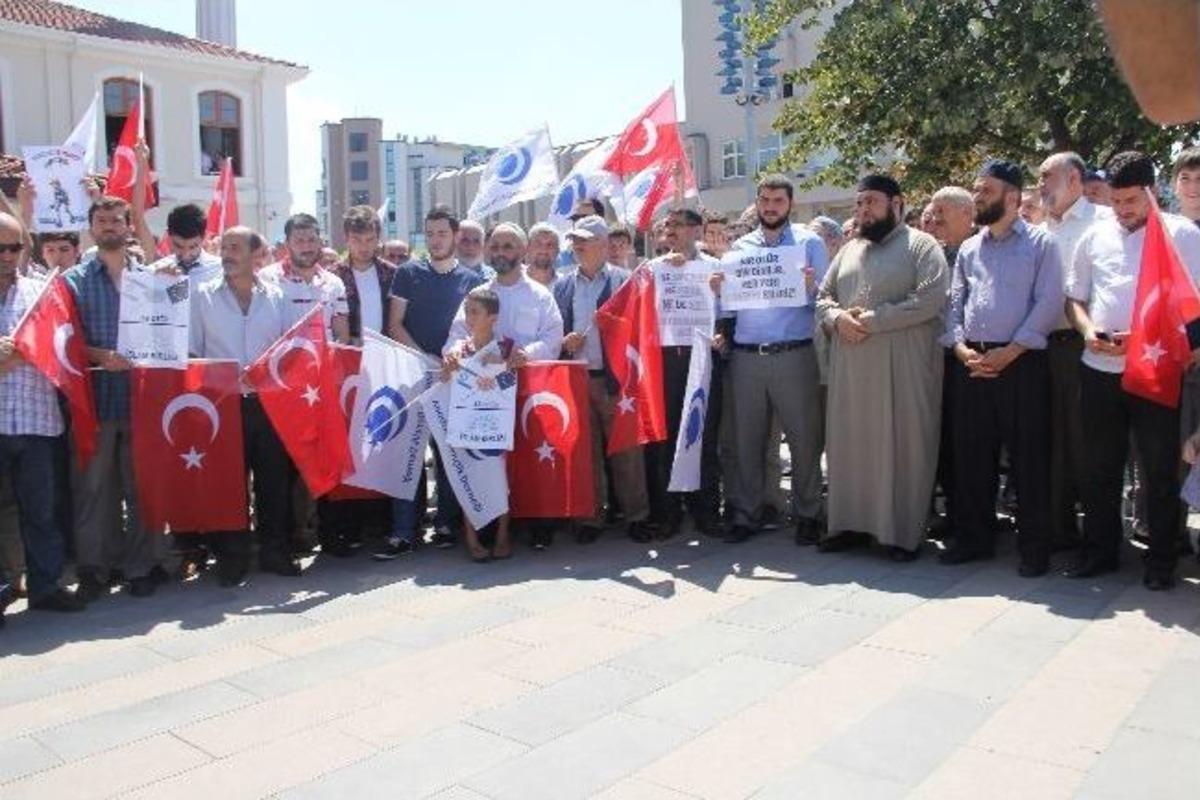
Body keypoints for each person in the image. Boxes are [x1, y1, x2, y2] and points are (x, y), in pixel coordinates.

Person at [1065, 151, 1200, 590]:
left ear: (1152, 192)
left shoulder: (1181, 235)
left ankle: (1160, 561)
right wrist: (1087, 332)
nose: (1123, 211)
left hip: (1156, 370)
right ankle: (1100, 551)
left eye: (1132, 202)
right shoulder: (1094, 235)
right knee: (1098, 467)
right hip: (1098, 367)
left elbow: (1193, 309)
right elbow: (1075, 298)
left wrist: (1151, 342)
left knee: (1159, 470)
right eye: (1117, 201)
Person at [940, 159, 1063, 577]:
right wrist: (959, 347)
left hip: (1022, 364)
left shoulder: (1042, 244)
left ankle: (1034, 549)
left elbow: (1048, 303)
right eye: (976, 190)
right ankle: (975, 540)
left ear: (1013, 197)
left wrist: (1011, 351)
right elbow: (955, 303)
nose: (978, 197)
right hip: (972, 364)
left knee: (1029, 460)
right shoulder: (969, 249)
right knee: (972, 457)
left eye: (986, 191)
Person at [816, 175, 948, 560]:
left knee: (901, 446)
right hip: (852, 372)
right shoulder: (849, 249)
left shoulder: (922, 246)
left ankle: (901, 535)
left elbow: (930, 299)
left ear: (896, 203)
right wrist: (838, 318)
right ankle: (848, 526)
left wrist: (872, 321)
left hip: (902, 371)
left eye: (870, 202)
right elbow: (823, 297)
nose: (862, 211)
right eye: (858, 204)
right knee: (850, 445)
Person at [712, 174, 827, 546]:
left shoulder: (809, 243)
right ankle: (748, 512)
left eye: (777, 200)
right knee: (748, 440)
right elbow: (729, 305)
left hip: (793, 353)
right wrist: (717, 291)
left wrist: (811, 288)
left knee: (803, 438)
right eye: (764, 200)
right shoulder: (740, 247)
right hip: (747, 358)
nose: (770, 207)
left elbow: (825, 301)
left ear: (790, 204)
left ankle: (808, 512)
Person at [63, 197, 163, 600]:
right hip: (95, 403)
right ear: (91, 228)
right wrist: (100, 355)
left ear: (128, 226)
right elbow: (64, 340)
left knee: (142, 489)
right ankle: (95, 569)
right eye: (101, 221)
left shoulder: (154, 280)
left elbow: (168, 335)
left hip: (142, 403)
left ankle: (141, 566)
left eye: (116, 220)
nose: (109, 227)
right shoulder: (72, 282)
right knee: (94, 490)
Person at [373, 206, 484, 560]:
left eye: (442, 233)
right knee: (405, 455)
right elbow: (395, 324)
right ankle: (404, 531)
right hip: (411, 376)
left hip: (453, 379)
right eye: (430, 233)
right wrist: (427, 360)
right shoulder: (407, 273)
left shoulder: (471, 280)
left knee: (449, 455)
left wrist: (451, 361)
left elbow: (475, 331)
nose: (436, 240)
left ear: (455, 236)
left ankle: (446, 525)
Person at [189, 226, 296, 584]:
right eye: (223, 248)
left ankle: (274, 551)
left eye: (235, 248)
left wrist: (265, 374)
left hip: (269, 405)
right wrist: (225, 378)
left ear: (256, 255)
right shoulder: (201, 297)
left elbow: (287, 351)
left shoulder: (278, 297)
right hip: (223, 405)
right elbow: (193, 355)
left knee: (273, 481)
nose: (227, 255)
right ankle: (232, 557)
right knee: (228, 483)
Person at [0, 213, 85, 619]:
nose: (5, 256)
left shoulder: (44, 293)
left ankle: (46, 586)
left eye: (13, 248)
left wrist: (23, 352)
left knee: (42, 511)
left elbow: (63, 347)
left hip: (37, 421)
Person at [552, 214, 653, 543]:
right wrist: (564, 341)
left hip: (616, 381)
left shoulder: (625, 282)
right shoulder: (562, 284)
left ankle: (636, 516)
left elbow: (641, 329)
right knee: (587, 453)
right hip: (577, 380)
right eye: (574, 240)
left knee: (627, 451)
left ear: (603, 244)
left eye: (584, 240)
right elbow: (553, 331)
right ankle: (590, 518)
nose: (577, 245)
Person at [1038, 151, 1113, 552]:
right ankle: (1059, 532)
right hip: (1042, 348)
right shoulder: (1039, 228)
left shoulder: (1103, 222)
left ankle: (1099, 541)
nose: (1040, 186)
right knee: (1051, 444)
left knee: (1088, 445)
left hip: (1086, 347)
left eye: (1047, 176)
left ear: (1074, 179)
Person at [646, 208, 725, 538]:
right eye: (668, 226)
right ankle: (667, 512)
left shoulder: (715, 269)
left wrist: (723, 334)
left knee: (701, 435)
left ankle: (705, 509)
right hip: (664, 361)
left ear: (697, 230)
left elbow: (730, 312)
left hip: (703, 360)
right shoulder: (651, 270)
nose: (671, 231)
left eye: (678, 225)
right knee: (664, 439)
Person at [441, 286, 513, 561]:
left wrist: (503, 371)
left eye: (475, 311)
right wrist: (449, 369)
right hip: (468, 424)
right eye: (467, 311)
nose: (468, 317)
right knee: (469, 477)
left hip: (495, 425)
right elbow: (445, 381)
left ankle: (503, 535)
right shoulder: (460, 348)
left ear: (492, 317)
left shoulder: (506, 346)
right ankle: (471, 537)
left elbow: (512, 383)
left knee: (500, 478)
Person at [924, 185, 976, 542]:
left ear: (966, 215)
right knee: (943, 444)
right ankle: (953, 515)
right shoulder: (934, 256)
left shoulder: (980, 252)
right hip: (936, 360)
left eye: (941, 213)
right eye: (932, 213)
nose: (935, 220)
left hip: (971, 360)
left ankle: (971, 520)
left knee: (968, 445)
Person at [261, 214, 350, 344]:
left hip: (324, 363)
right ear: (287, 244)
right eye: (299, 241)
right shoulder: (267, 278)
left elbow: (341, 334)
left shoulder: (334, 283)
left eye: (311, 240)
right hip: (283, 363)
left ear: (320, 242)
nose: (306, 247)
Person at [335, 205, 396, 343]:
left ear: (378, 238)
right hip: (348, 355)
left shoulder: (392, 274)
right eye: (357, 239)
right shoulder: (334, 277)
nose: (364, 246)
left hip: (385, 354)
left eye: (370, 239)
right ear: (346, 238)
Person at [525, 223, 560, 287]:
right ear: (528, 248)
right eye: (538, 244)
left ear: (557, 251)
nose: (544, 250)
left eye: (550, 245)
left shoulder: (567, 286)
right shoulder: (513, 282)